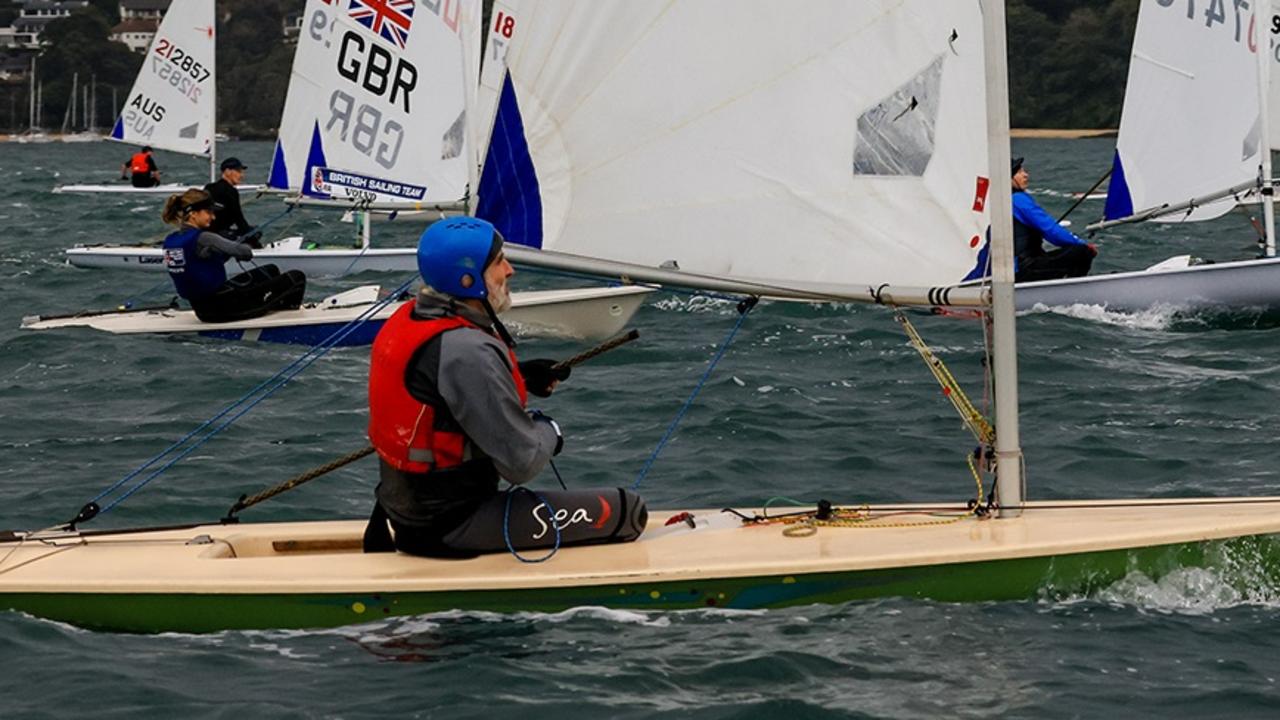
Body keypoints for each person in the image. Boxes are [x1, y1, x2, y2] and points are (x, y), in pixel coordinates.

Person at [363, 217, 647, 557]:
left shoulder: (410, 317)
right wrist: (550, 431)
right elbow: (521, 463)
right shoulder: (467, 350)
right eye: (498, 262)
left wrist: (518, 377)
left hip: (404, 513)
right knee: (628, 511)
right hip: (452, 525)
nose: (510, 270)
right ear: (467, 279)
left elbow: (438, 393)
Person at [160, 188, 306, 323]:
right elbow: (245, 252)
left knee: (270, 270)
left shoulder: (171, 240)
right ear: (193, 214)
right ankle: (285, 321)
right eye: (209, 212)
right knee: (296, 277)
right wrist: (244, 241)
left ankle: (270, 308)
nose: (213, 217)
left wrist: (225, 250)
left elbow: (198, 266)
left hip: (202, 309)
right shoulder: (205, 238)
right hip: (225, 309)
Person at [1011, 156, 1097, 283]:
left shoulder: (1002, 202)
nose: (1025, 175)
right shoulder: (1018, 200)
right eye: (1019, 172)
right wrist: (1083, 244)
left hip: (1016, 270)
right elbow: (1051, 230)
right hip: (1025, 270)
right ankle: (1074, 292)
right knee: (1082, 252)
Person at [204, 157, 262, 247]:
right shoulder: (231, 191)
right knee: (256, 231)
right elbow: (239, 219)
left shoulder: (209, 187)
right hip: (221, 235)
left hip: (205, 234)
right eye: (239, 171)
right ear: (227, 171)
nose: (242, 175)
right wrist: (255, 242)